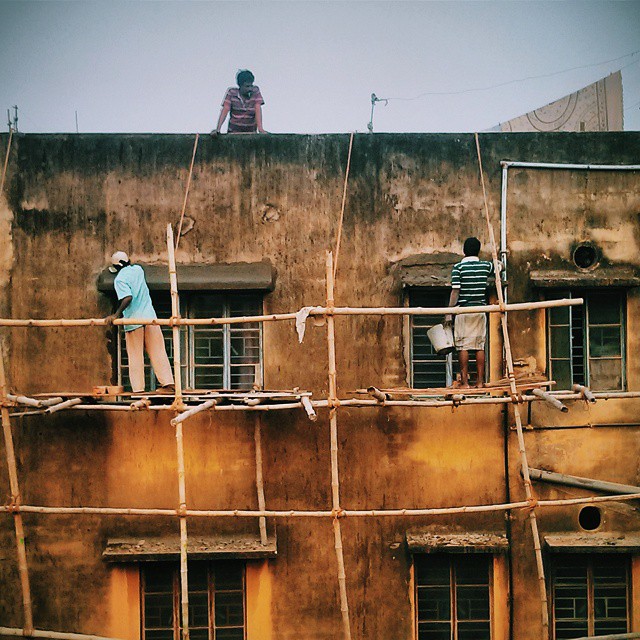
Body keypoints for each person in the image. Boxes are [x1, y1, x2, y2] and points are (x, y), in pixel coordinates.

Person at [105, 251, 175, 394]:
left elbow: (127, 297)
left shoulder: (119, 279)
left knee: (135, 356)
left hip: (133, 320)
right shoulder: (138, 270)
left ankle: (138, 390)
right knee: (158, 351)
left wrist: (116, 315)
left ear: (116, 267)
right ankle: (168, 384)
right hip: (150, 317)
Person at [444, 237, 495, 388]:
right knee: (479, 346)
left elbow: (455, 292)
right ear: (478, 251)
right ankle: (480, 382)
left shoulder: (458, 268)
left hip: (463, 311)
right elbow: (500, 267)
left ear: (464, 251)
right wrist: (496, 263)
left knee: (463, 346)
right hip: (479, 310)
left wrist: (449, 312)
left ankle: (465, 382)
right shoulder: (485, 266)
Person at [211, 69, 266, 135]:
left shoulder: (255, 91)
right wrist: (218, 129)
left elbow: (258, 108)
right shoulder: (232, 92)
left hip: (250, 132)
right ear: (240, 86)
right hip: (234, 131)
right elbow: (225, 109)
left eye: (251, 86)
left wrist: (260, 129)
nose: (250, 89)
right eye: (247, 86)